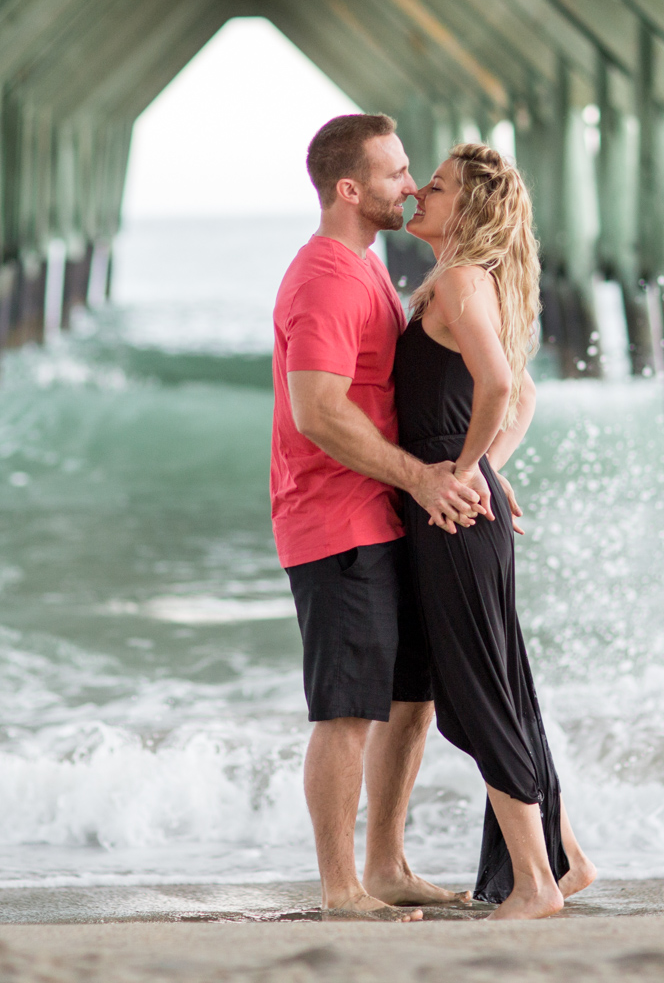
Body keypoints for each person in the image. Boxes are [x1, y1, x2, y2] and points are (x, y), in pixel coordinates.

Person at [271, 114, 485, 919]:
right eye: (397, 173)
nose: (413, 183)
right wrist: (420, 479)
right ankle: (339, 888)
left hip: (382, 514)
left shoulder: (364, 268)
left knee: (409, 699)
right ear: (349, 189)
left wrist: (469, 471)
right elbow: (319, 411)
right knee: (347, 711)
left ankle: (386, 865)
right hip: (334, 521)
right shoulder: (325, 276)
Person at [395, 142, 598, 920]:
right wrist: (486, 468)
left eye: (436, 187)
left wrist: (464, 468)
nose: (418, 191)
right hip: (464, 505)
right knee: (503, 686)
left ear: (469, 210)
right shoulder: (468, 282)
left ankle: (535, 884)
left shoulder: (459, 278)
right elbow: (525, 396)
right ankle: (566, 860)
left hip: (454, 515)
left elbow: (505, 385)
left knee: (479, 697)